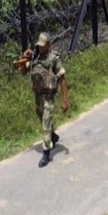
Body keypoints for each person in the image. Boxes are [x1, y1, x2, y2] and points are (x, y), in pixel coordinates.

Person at [20, 32, 69, 168]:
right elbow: (23, 71)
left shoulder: (54, 59)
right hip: (38, 97)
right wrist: (24, 58)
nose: (40, 48)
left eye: (43, 46)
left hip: (48, 97)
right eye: (39, 45)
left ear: (48, 45)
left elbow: (62, 79)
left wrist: (65, 100)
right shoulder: (35, 58)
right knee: (42, 119)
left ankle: (46, 153)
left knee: (46, 123)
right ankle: (53, 136)